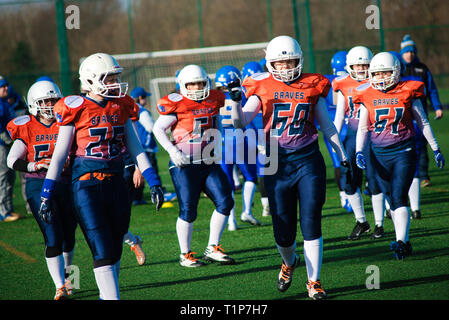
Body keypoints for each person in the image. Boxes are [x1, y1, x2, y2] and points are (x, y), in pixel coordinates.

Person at [230, 35, 350, 300]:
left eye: (290, 61)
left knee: (311, 221)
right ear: (271, 62)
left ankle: (314, 281)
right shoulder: (260, 85)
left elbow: (327, 126)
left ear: (299, 60)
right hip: (276, 162)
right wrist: (235, 101)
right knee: (282, 231)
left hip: (308, 159)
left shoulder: (312, 84)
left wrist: (342, 157)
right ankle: (289, 261)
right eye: (280, 62)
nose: (285, 67)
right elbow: (241, 122)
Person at [38, 53, 164, 300]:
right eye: (109, 77)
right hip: (86, 185)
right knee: (103, 250)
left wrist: (154, 181)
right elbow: (61, 153)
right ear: (91, 79)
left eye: (116, 76)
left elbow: (136, 148)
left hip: (117, 183)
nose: (115, 82)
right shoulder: (75, 107)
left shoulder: (121, 105)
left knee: (116, 247)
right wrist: (46, 193)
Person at [354, 52, 445, 260]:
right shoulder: (366, 94)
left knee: (398, 196)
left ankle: (401, 242)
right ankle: (403, 240)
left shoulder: (407, 91)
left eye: (385, 72)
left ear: (395, 72)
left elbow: (423, 122)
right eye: (376, 73)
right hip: (379, 154)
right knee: (390, 199)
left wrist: (435, 147)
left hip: (404, 150)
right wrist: (359, 150)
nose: (381, 77)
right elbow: (362, 129)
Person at [153, 64, 235, 268]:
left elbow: (215, 121)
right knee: (189, 209)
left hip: (207, 161)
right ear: (183, 85)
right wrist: (173, 151)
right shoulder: (177, 104)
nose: (197, 87)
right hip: (184, 164)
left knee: (226, 202)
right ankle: (185, 254)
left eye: (200, 82)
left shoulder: (213, 99)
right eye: (192, 84)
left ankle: (213, 247)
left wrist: (217, 143)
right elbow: (158, 128)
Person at [6, 80, 77, 299]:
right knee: (53, 235)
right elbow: (11, 160)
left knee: (69, 236)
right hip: (38, 183)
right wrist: (32, 165)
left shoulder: (67, 122)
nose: (49, 105)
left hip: (66, 182)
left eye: (53, 100)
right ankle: (59, 286)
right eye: (45, 101)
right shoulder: (26, 125)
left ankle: (69, 276)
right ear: (34, 104)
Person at [333, 46, 386, 240]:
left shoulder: (378, 81)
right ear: (350, 66)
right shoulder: (343, 83)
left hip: (373, 136)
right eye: (358, 65)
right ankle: (362, 221)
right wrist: (334, 136)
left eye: (365, 65)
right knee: (348, 180)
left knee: (374, 180)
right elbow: (339, 114)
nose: (362, 69)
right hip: (351, 136)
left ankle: (379, 224)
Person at [215, 65, 260, 231]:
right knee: (250, 177)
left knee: (228, 184)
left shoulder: (215, 98)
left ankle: (231, 221)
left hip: (222, 145)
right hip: (241, 141)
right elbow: (249, 121)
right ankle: (247, 211)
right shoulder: (243, 96)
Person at [400, 35, 443, 188]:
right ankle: (410, 174)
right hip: (403, 117)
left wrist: (437, 107)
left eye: (411, 51)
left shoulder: (423, 69)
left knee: (422, 146)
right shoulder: (399, 69)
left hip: (420, 114)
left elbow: (432, 90)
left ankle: (424, 176)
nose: (409, 54)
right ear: (402, 53)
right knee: (405, 146)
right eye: (406, 52)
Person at [129, 86, 176, 205]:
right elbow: (151, 127)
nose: (146, 100)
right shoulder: (142, 111)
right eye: (145, 97)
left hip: (137, 145)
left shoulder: (131, 108)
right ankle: (161, 193)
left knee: (139, 173)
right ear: (140, 98)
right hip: (146, 146)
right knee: (151, 170)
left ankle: (137, 198)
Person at [241, 61, 271, 217]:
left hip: (250, 135)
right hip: (261, 134)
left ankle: (265, 204)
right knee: (265, 171)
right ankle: (267, 204)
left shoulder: (245, 90)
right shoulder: (264, 87)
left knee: (261, 172)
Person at [324, 50, 352, 213]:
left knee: (338, 163)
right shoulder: (353, 81)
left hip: (332, 126)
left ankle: (344, 196)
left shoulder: (327, 81)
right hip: (351, 125)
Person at [0, 76, 20, 222]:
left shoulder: (5, 103)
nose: (6, 88)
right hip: (1, 144)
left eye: (6, 85)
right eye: (2, 86)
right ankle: (3, 212)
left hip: (7, 144)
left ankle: (8, 210)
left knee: (10, 176)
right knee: (3, 176)